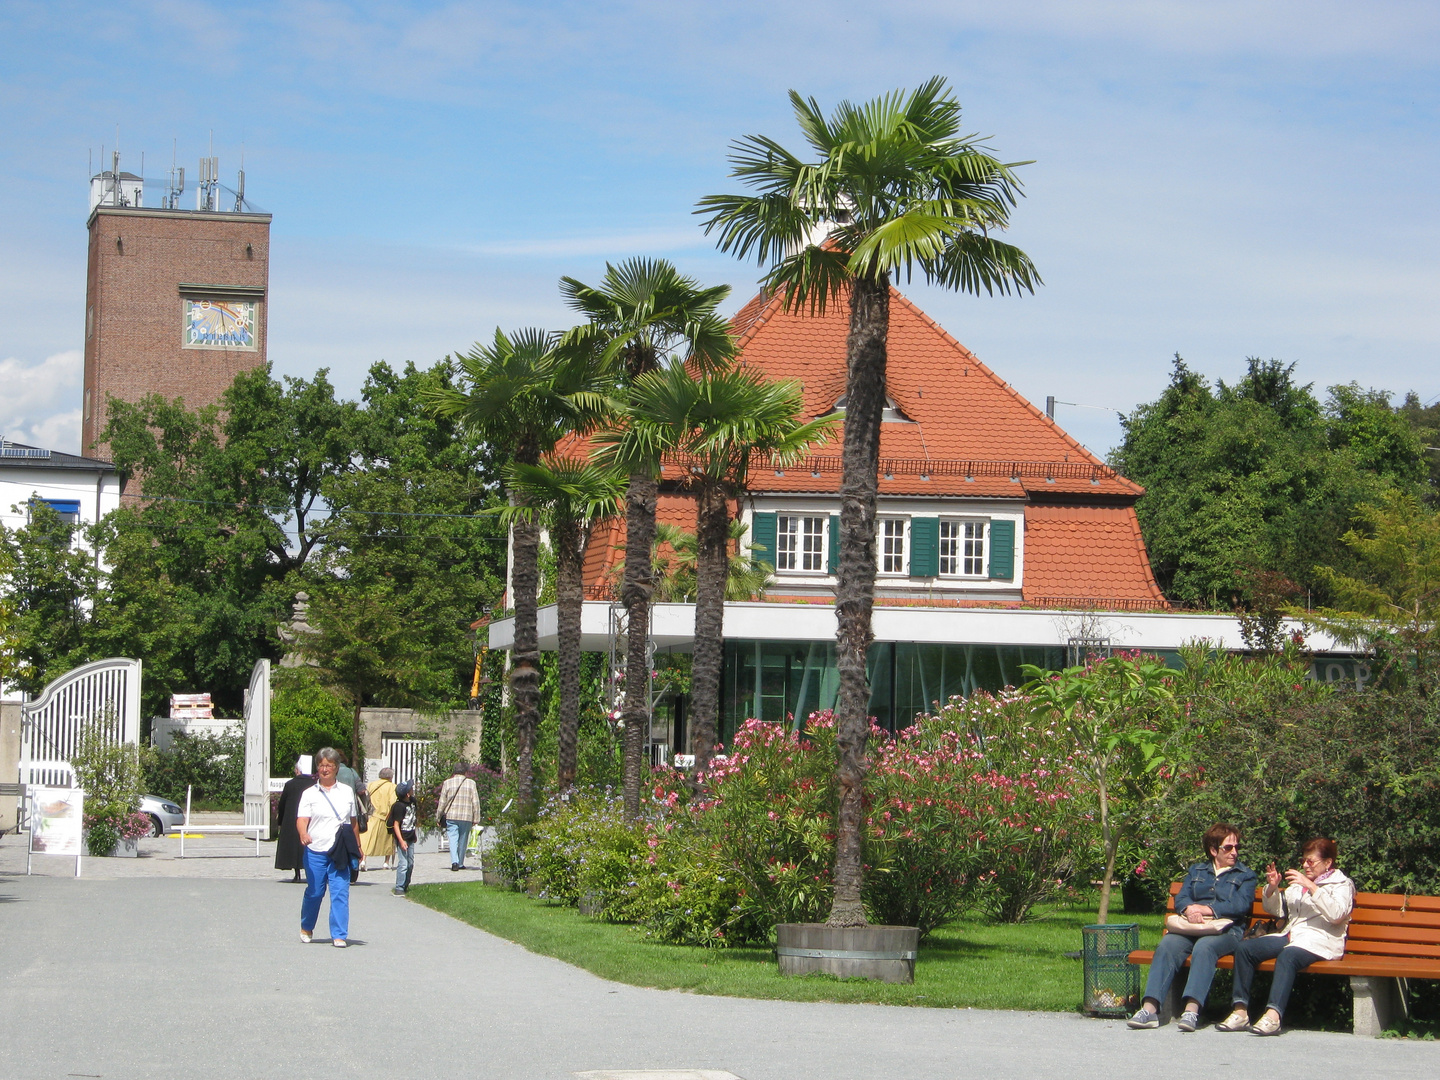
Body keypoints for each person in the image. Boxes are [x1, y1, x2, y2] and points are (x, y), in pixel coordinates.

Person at [1216, 837, 1355, 1036]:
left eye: (1311, 862)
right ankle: (1240, 1011)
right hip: (1292, 934)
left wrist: (1312, 887)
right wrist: (1272, 888)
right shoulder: (1300, 884)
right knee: (1244, 949)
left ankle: (1273, 1016)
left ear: (1328, 863)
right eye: (1303, 861)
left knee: (1288, 956)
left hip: (1320, 940)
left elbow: (1336, 915)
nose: (1306, 866)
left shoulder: (1341, 884)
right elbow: (1279, 910)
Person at [1128, 823, 1257, 1031]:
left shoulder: (1245, 875)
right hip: (1193, 927)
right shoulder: (1197, 870)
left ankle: (1191, 1011)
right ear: (1214, 850)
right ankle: (1149, 1009)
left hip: (1227, 931)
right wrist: (1189, 910)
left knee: (1205, 947)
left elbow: (1240, 905)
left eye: (1236, 847)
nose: (1234, 852)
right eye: (1228, 847)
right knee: (1167, 945)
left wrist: (1206, 909)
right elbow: (1182, 898)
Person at [296, 747, 362, 948]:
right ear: (317, 768)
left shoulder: (346, 791)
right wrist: (303, 833)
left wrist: (358, 847)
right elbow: (302, 819)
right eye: (322, 765)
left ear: (336, 768)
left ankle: (339, 934)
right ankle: (307, 926)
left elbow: (353, 822)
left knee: (340, 892)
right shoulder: (309, 794)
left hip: (339, 850)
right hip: (315, 850)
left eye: (329, 765)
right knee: (315, 891)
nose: (325, 769)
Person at [274, 756, 315, 883]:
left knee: (293, 847)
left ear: (298, 770)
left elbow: (282, 804)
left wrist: (280, 820)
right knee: (307, 847)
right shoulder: (314, 785)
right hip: (309, 819)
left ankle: (296, 872)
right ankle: (310, 872)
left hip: (291, 819)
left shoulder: (290, 784)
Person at [435, 764, 480, 871]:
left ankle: (454, 861)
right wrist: (476, 818)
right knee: (463, 840)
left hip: (451, 815)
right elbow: (475, 802)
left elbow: (442, 802)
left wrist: (438, 817)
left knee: (453, 839)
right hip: (466, 816)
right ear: (465, 772)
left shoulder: (447, 783)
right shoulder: (471, 783)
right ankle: (460, 863)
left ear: (454, 772)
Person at [360, 767, 398, 872]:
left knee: (367, 839)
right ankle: (386, 862)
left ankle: (363, 860)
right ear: (390, 776)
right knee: (387, 841)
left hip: (372, 815)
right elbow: (392, 802)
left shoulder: (371, 785)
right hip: (385, 817)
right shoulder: (392, 787)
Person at [336, 754, 367, 883]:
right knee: (352, 839)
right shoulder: (351, 772)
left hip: (334, 811)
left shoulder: (333, 773)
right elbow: (361, 790)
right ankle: (353, 871)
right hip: (350, 809)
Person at [389, 780, 418, 896]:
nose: (413, 789)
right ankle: (399, 887)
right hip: (402, 837)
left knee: (410, 863)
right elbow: (396, 824)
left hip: (411, 836)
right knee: (403, 863)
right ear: (407, 793)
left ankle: (406, 884)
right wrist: (401, 841)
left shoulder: (413, 801)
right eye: (411, 788)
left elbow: (414, 819)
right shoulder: (399, 806)